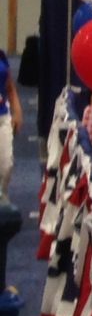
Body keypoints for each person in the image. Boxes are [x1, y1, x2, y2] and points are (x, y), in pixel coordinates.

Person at [0, 46, 18, 201]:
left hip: (3, 118)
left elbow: (10, 88)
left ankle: (2, 196)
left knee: (6, 165)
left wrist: (17, 110)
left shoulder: (1, 56)